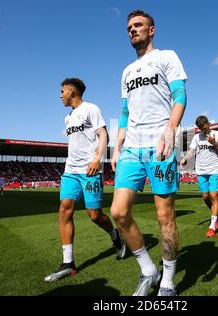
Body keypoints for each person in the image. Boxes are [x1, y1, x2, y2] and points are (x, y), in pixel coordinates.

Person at [110, 10, 187, 297]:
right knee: (119, 212)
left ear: (152, 30)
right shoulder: (126, 72)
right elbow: (124, 111)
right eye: (129, 27)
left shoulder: (167, 57)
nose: (132, 30)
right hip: (131, 147)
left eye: (138, 25)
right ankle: (148, 270)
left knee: (164, 216)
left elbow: (180, 96)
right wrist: (117, 147)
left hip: (161, 145)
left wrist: (170, 130)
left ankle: (167, 280)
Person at [44, 78, 126, 283]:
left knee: (94, 215)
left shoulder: (91, 108)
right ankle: (68, 263)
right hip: (70, 171)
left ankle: (115, 235)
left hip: (90, 170)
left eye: (62, 91)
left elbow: (103, 134)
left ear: (72, 91)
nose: (60, 95)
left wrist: (98, 159)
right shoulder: (68, 118)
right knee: (64, 208)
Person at [180, 116, 218, 238]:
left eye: (203, 127)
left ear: (208, 123)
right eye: (200, 128)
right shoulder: (196, 137)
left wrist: (214, 143)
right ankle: (217, 214)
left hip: (214, 169)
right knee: (205, 197)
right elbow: (192, 151)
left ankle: (212, 226)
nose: (202, 130)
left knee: (214, 195)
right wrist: (185, 158)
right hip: (201, 170)